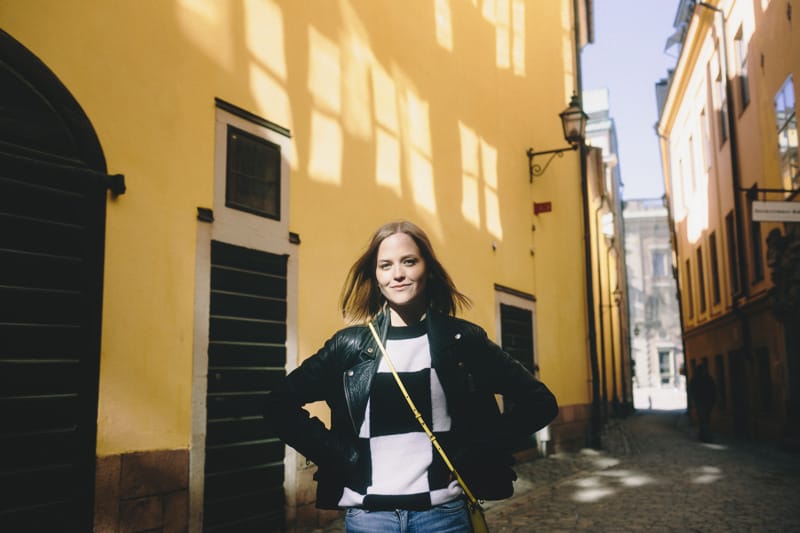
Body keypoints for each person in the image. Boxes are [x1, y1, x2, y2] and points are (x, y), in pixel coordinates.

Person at [263, 220, 558, 532]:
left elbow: (539, 402)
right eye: (386, 265)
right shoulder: (348, 347)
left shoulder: (461, 341)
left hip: (443, 517)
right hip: (369, 519)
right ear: (376, 277)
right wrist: (341, 454)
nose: (397, 274)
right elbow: (278, 404)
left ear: (428, 269)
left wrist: (476, 452)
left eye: (409, 261)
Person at [689, 362, 716, 442]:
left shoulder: (696, 379)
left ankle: (703, 435)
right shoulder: (707, 378)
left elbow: (691, 390)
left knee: (704, 419)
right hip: (704, 402)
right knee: (705, 419)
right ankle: (705, 436)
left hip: (702, 402)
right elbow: (713, 390)